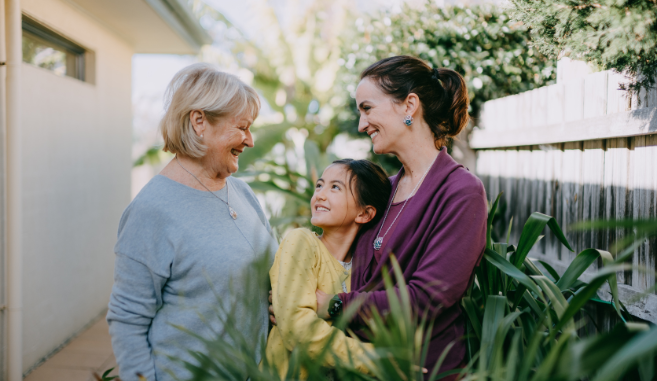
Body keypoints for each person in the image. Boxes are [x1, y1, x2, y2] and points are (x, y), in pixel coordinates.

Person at [315, 55, 488, 379]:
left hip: (420, 369)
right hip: (359, 366)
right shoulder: (382, 191)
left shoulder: (461, 192)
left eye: (367, 108)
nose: (361, 124)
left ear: (409, 105)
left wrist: (334, 305)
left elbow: (427, 298)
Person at [107, 63, 278, 381]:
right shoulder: (151, 211)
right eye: (242, 127)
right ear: (199, 121)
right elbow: (127, 318)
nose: (250, 140)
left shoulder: (241, 191)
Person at [265, 159, 392, 379]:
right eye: (320, 185)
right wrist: (376, 359)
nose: (320, 195)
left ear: (364, 213)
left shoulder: (365, 271)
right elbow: (297, 329)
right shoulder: (302, 242)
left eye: (335, 187)